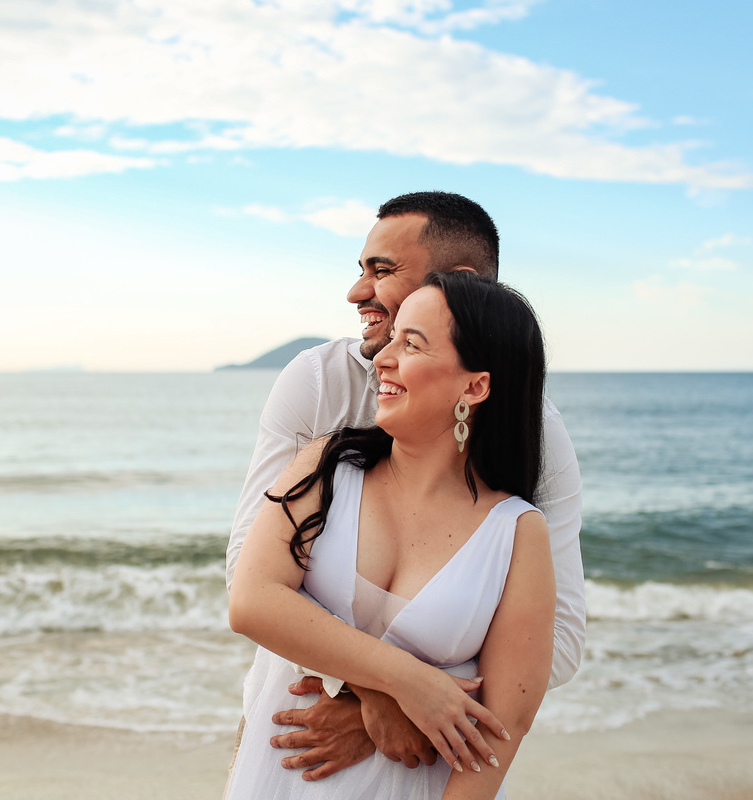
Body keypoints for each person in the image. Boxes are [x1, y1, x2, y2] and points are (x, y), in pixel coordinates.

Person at [226, 192, 585, 779]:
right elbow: (247, 574)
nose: (356, 292)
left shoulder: (533, 437)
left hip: (412, 765)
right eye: (359, 269)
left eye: (382, 271)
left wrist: (417, 702)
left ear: (457, 280)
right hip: (292, 733)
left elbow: (559, 642)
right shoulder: (317, 385)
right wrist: (380, 692)